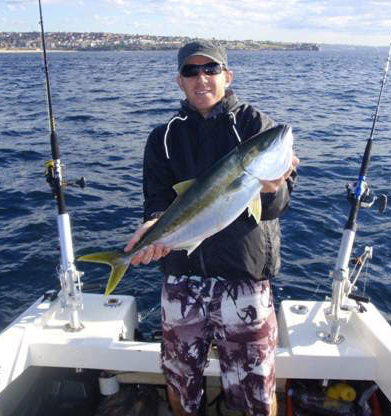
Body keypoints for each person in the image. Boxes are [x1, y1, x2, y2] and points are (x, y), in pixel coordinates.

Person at [125, 40, 299, 416]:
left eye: (210, 69)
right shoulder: (163, 137)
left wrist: (274, 187)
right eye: (191, 71)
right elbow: (156, 199)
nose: (201, 78)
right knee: (180, 382)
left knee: (257, 390)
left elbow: (278, 204)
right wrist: (155, 227)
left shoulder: (254, 125)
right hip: (182, 279)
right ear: (179, 81)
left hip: (244, 280)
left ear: (227, 75)